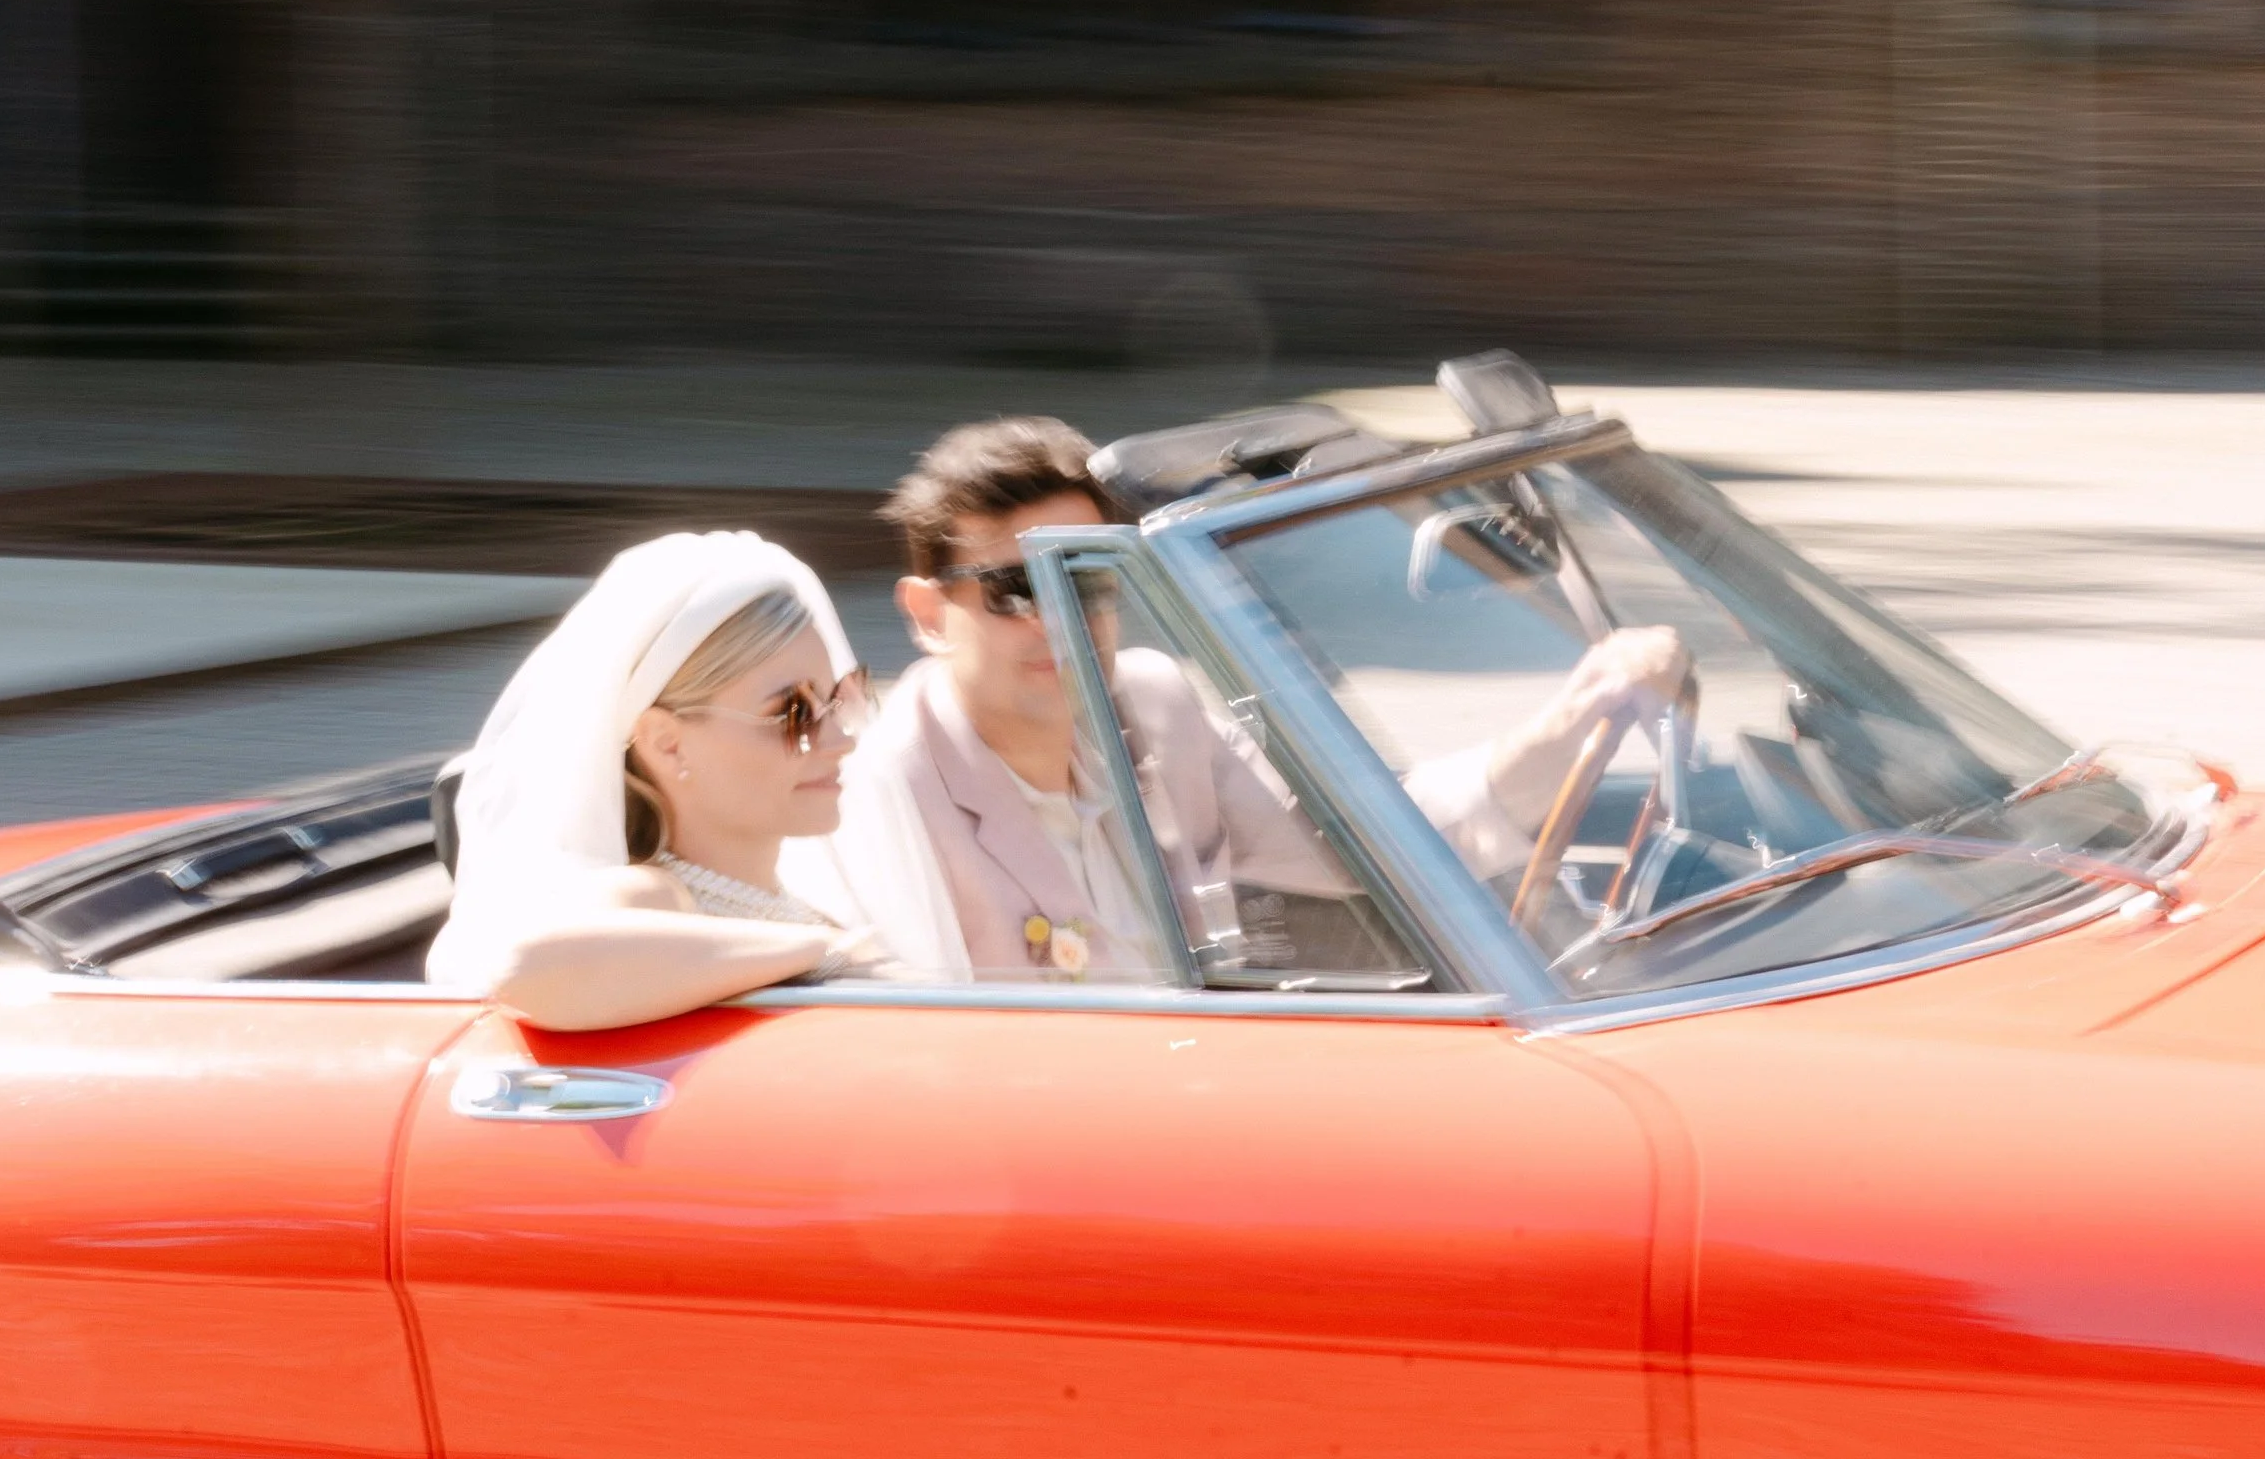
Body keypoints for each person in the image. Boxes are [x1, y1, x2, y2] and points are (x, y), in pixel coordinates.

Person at [808, 415, 1689, 983]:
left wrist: (1578, 718)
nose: (1062, 621)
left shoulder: (1152, 705)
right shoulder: (885, 792)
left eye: (1090, 582)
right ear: (928, 614)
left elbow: (1368, 843)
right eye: (1015, 590)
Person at [428, 531, 875, 1026]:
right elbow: (524, 967)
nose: (840, 740)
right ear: (668, 744)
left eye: (839, 700)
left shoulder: (808, 898)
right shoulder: (651, 897)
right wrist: (823, 951)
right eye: (793, 712)